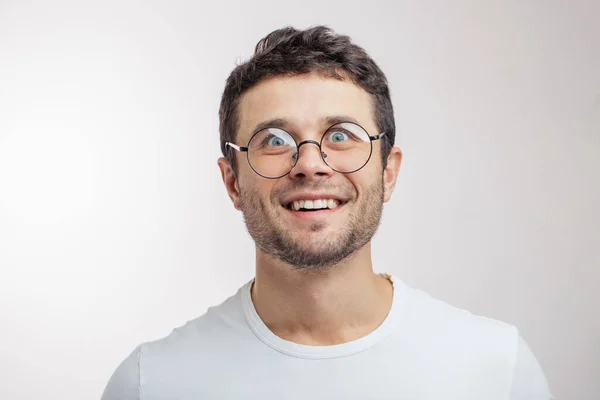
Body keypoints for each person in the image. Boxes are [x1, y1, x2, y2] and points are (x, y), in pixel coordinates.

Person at [101, 25, 553, 399]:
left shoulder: (498, 370)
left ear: (388, 172)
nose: (311, 164)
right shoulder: (150, 383)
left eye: (341, 135)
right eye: (274, 140)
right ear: (233, 181)